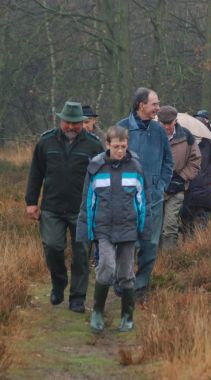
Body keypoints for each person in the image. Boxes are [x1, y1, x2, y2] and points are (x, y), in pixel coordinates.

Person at [25, 101, 103, 312]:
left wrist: (102, 206)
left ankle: (77, 298)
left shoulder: (94, 145)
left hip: (82, 209)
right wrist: (31, 202)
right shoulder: (46, 142)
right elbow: (36, 173)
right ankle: (58, 283)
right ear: (61, 121)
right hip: (52, 208)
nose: (70, 127)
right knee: (52, 246)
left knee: (81, 254)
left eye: (75, 123)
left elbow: (102, 178)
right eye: (67, 123)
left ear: (82, 123)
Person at [76, 126, 150, 332]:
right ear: (107, 145)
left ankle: (127, 316)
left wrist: (144, 230)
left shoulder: (135, 167)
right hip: (104, 228)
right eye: (116, 146)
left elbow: (143, 201)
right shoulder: (95, 168)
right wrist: (86, 232)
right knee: (106, 267)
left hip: (128, 228)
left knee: (126, 273)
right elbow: (87, 202)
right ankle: (97, 312)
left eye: (124, 146)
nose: (120, 151)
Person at [117, 87, 173, 300]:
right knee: (127, 244)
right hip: (125, 200)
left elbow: (168, 161)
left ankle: (141, 288)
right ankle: (123, 284)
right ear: (142, 105)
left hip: (154, 199)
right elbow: (109, 160)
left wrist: (161, 185)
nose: (158, 108)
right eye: (155, 104)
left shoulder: (159, 130)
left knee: (149, 245)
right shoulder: (121, 128)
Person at [157, 106, 201, 249]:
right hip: (155, 187)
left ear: (175, 121)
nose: (165, 127)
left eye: (168, 123)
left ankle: (169, 264)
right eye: (162, 123)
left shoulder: (186, 136)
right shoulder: (151, 135)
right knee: (154, 227)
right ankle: (153, 263)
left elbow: (195, 161)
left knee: (170, 226)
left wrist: (181, 179)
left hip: (177, 187)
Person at [181, 136, 211, 236]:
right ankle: (192, 244)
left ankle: (198, 243)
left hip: (199, 185)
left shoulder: (208, 143)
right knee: (188, 216)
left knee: (199, 215)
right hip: (191, 186)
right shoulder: (207, 143)